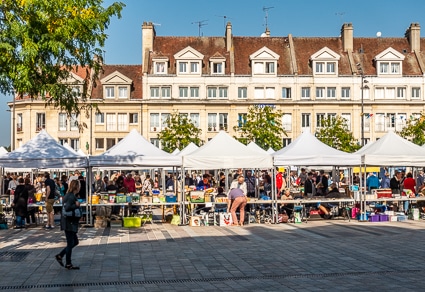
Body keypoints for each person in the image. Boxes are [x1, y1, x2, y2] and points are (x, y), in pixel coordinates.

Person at [55, 180, 82, 270]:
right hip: (68, 223)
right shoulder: (70, 196)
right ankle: (68, 263)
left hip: (70, 222)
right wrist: (76, 205)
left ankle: (60, 255)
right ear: (76, 187)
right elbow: (67, 208)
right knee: (71, 243)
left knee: (74, 242)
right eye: (79, 186)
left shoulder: (70, 196)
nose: (80, 187)